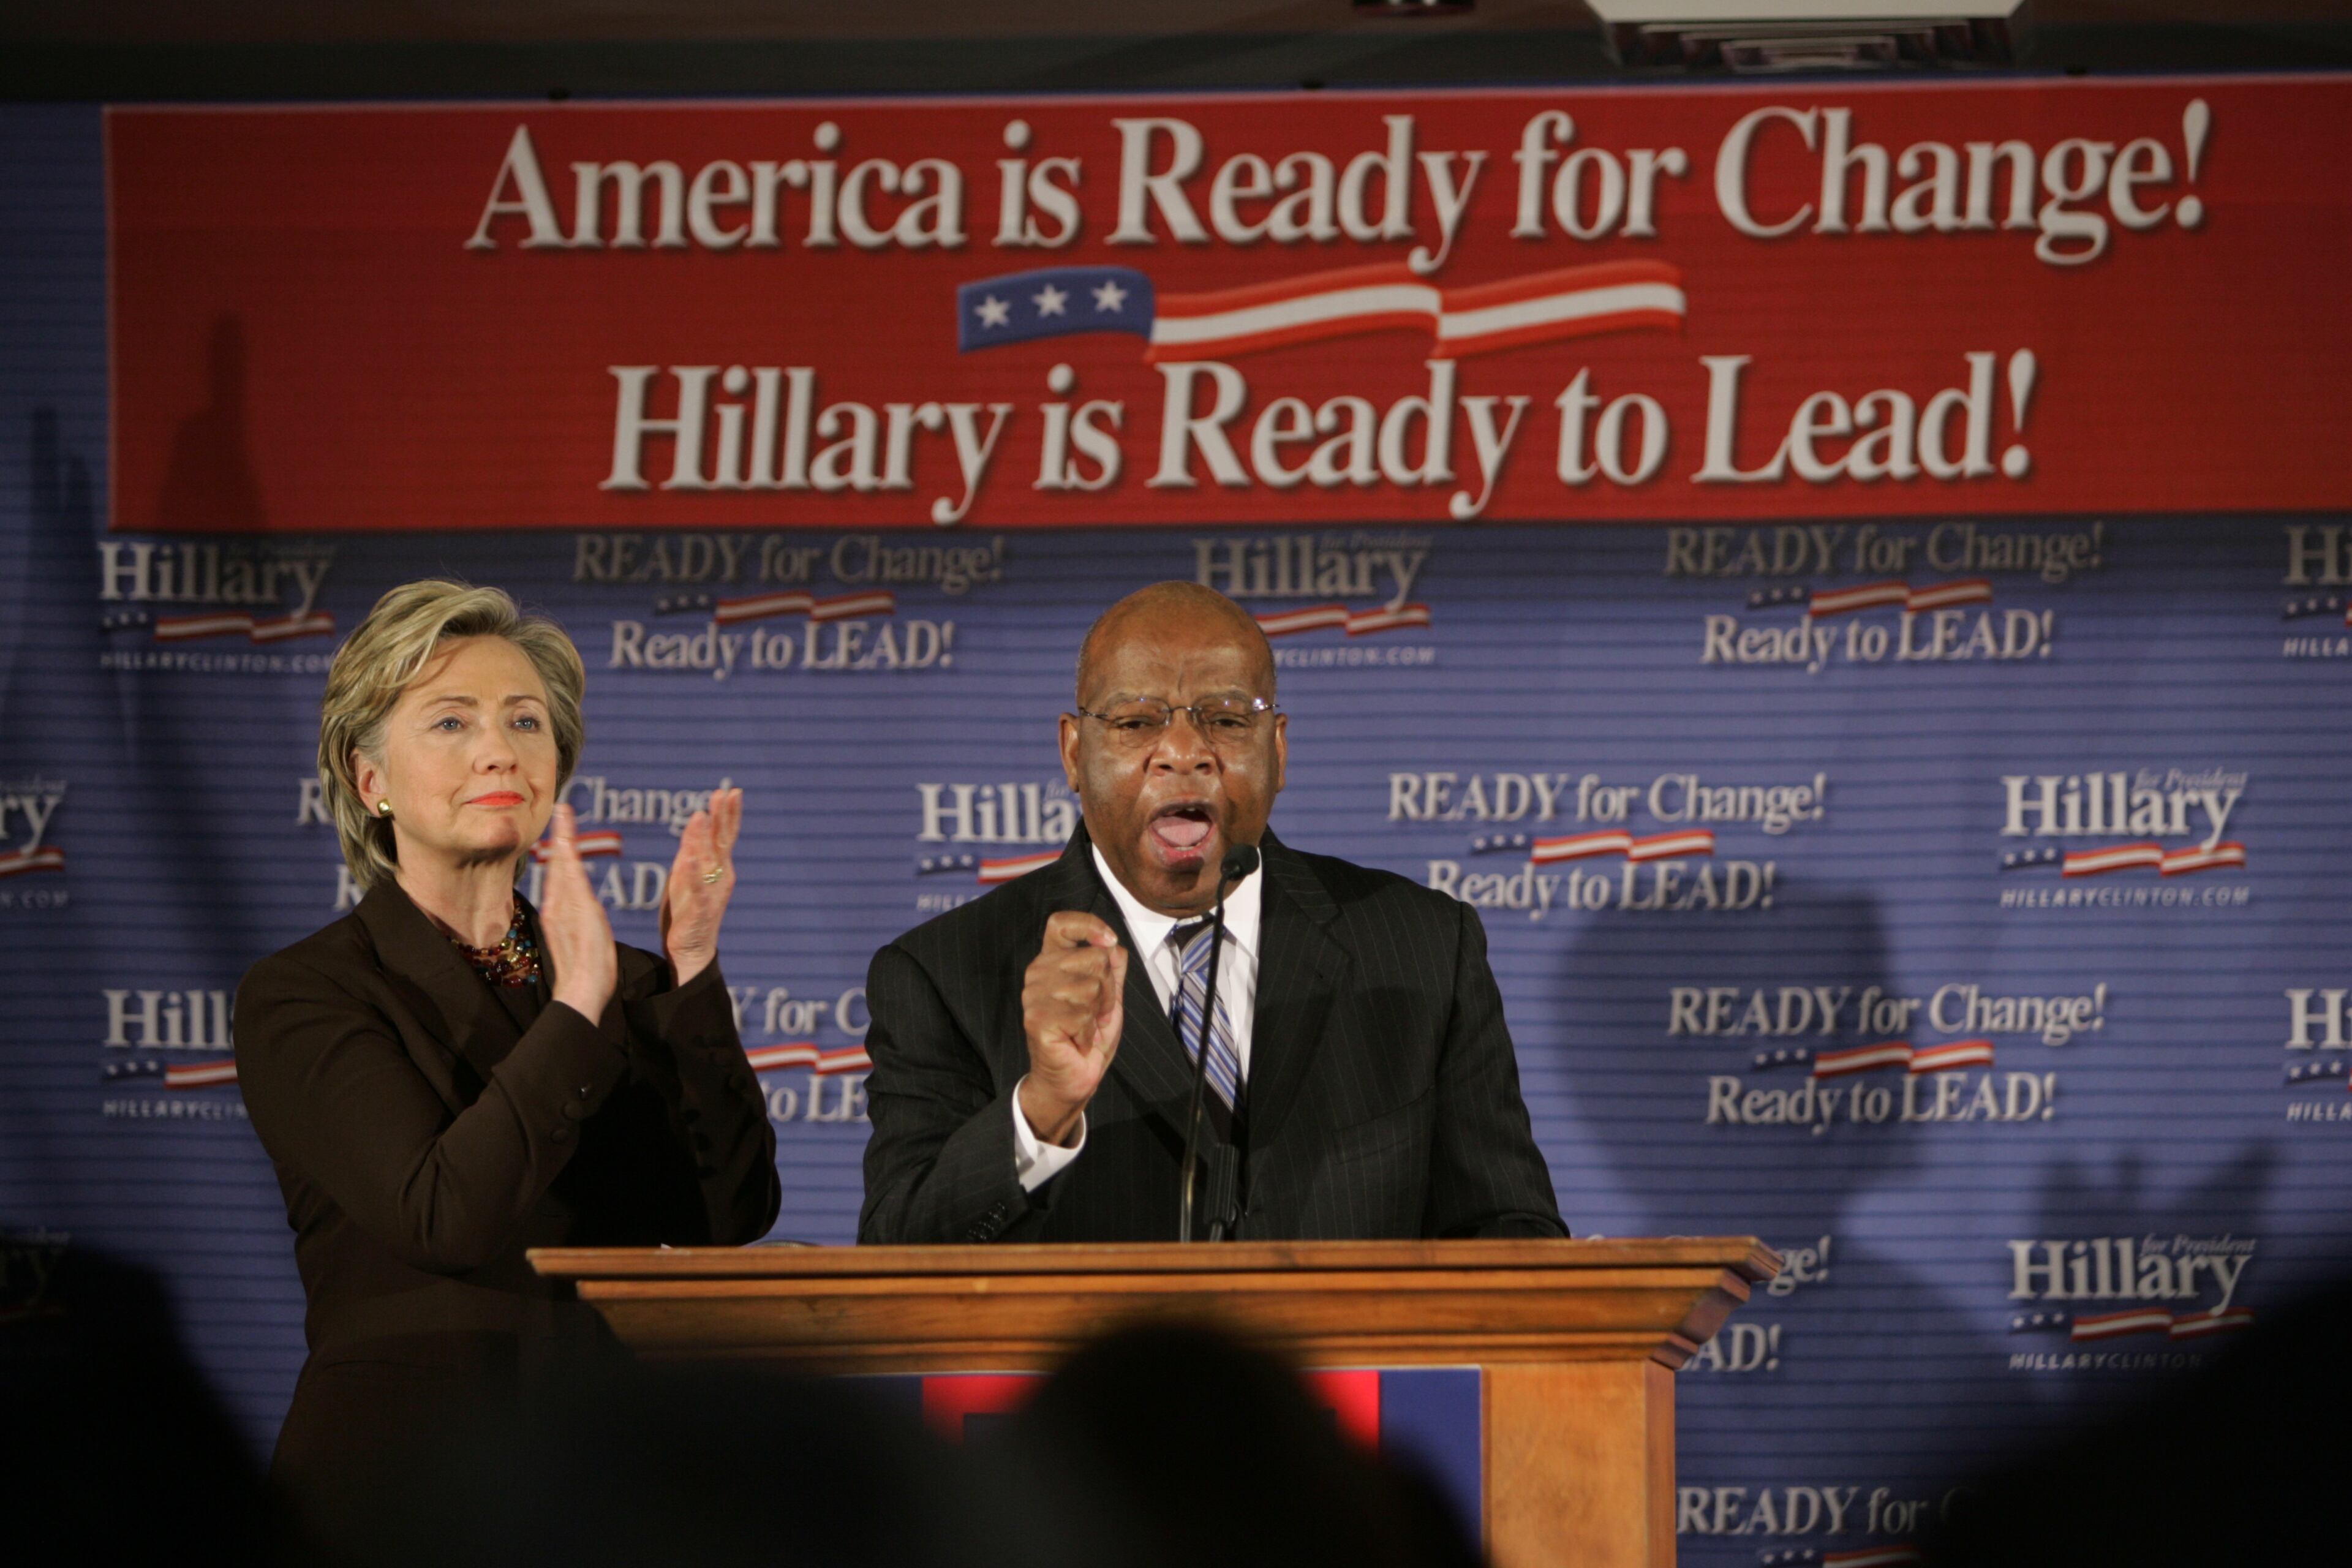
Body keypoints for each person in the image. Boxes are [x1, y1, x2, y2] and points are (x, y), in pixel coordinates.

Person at [235, 580, 778, 1517]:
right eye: (451, 723)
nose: (500, 750)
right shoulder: (308, 992)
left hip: (615, 1479)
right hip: (400, 1485)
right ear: (371, 784)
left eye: (526, 722)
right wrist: (574, 1008)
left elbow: (729, 1215)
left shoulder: (628, 980)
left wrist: (690, 969)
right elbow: (442, 1216)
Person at [859, 581, 1563, 1244]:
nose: (1185, 753)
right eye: (1136, 722)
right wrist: (1042, 1105)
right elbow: (899, 1256)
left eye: (1226, 720)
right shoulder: (946, 973)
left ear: (1278, 750)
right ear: (1075, 752)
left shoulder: (1423, 948)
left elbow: (1511, 1235)